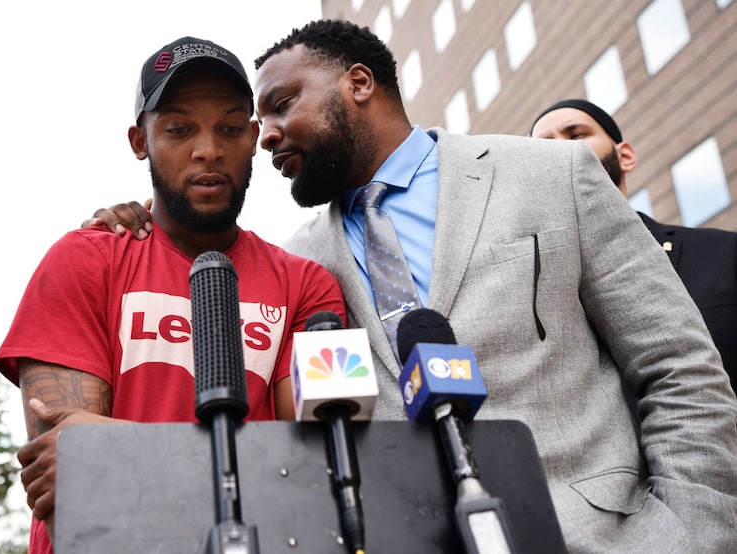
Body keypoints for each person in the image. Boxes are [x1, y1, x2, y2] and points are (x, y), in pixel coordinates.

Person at [86, 20, 737, 553]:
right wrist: (136, 224)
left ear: (359, 83)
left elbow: (680, 369)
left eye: (282, 105)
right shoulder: (300, 264)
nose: (268, 135)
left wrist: (681, 535)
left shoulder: (553, 176)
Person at [0, 36, 346, 554]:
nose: (208, 149)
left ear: (252, 137)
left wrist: (122, 451)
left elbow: (316, 464)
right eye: (180, 129)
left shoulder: (308, 286)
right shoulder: (84, 259)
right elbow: (67, 476)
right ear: (141, 141)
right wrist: (231, 464)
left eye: (229, 128)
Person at [530, 98, 737, 393]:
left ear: (625, 156)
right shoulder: (537, 297)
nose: (562, 149)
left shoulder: (724, 254)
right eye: (544, 146)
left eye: (576, 135)